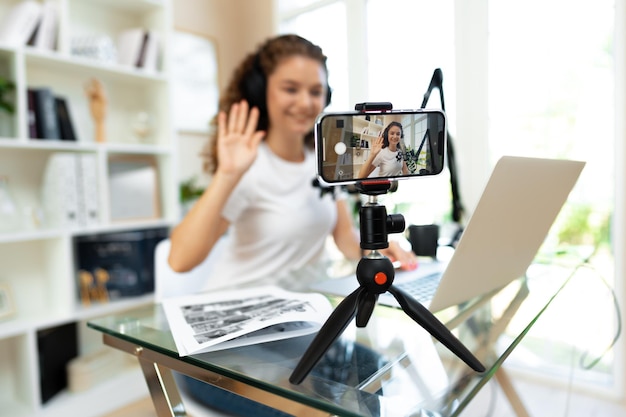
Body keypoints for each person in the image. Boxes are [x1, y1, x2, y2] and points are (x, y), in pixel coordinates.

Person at [168, 34, 417, 416]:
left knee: (377, 381)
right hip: (229, 340)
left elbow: (345, 238)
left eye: (315, 91)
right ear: (262, 91)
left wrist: (378, 247)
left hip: (295, 325)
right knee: (316, 410)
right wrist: (229, 173)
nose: (305, 102)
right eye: (290, 88)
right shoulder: (250, 166)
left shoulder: (323, 163)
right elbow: (181, 259)